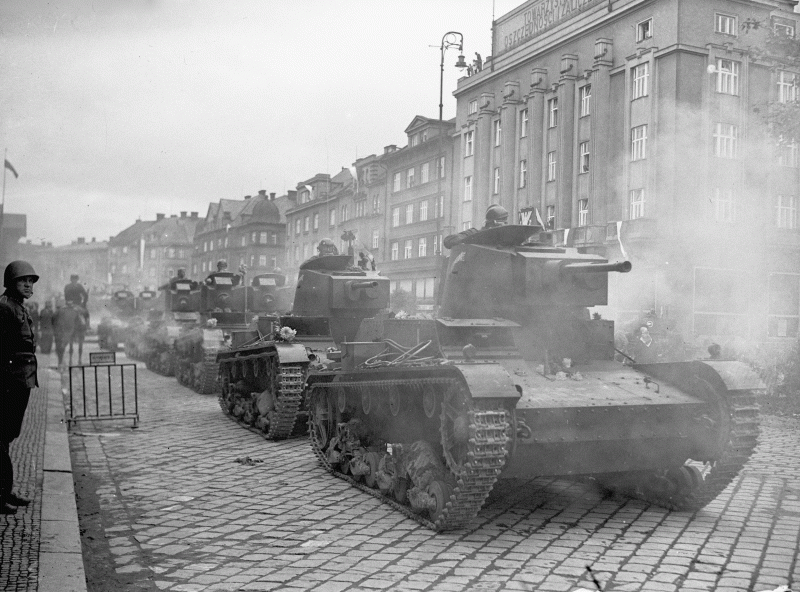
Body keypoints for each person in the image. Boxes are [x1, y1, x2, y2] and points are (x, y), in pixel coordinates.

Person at [0, 261, 39, 514]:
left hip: (19, 381)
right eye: (22, 281)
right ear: (11, 283)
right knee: (0, 438)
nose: (28, 285)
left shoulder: (17, 307)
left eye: (31, 281)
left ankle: (5, 489)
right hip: (7, 382)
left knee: (7, 437)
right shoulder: (4, 308)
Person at [443, 205, 509, 250]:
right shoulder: (474, 233)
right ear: (494, 223)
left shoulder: (504, 238)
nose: (504, 226)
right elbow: (448, 240)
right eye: (503, 223)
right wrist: (474, 239)